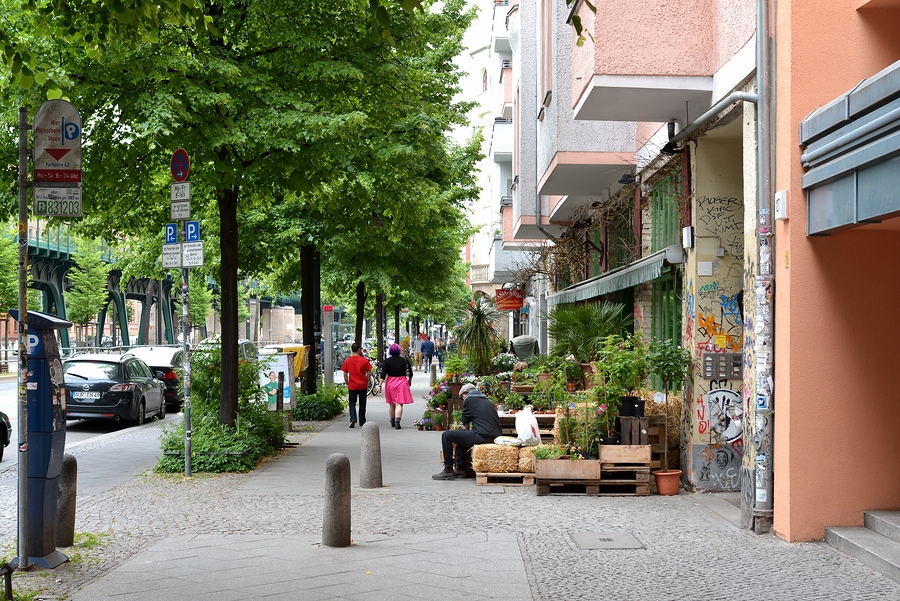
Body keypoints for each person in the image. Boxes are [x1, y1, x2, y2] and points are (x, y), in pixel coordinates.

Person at [432, 383, 502, 480]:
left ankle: (448, 469)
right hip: (494, 436)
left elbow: (465, 420)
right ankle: (460, 469)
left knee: (446, 435)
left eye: (462, 398)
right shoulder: (485, 400)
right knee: (462, 436)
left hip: (482, 436)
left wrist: (461, 430)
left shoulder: (469, 399)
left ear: (464, 394)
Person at [380, 343, 413, 428]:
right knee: (399, 403)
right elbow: (410, 372)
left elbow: (383, 374)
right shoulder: (404, 360)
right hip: (401, 381)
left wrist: (380, 385)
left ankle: (392, 420)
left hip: (390, 382)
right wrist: (409, 381)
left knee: (391, 404)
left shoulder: (387, 361)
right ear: (399, 351)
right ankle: (397, 421)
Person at [341, 342, 372, 428]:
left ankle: (353, 418)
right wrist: (367, 380)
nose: (361, 350)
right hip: (362, 385)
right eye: (361, 349)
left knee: (352, 403)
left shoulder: (348, 361)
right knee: (362, 403)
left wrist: (347, 382)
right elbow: (369, 372)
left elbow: (345, 374)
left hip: (352, 385)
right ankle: (362, 421)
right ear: (358, 350)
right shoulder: (364, 360)